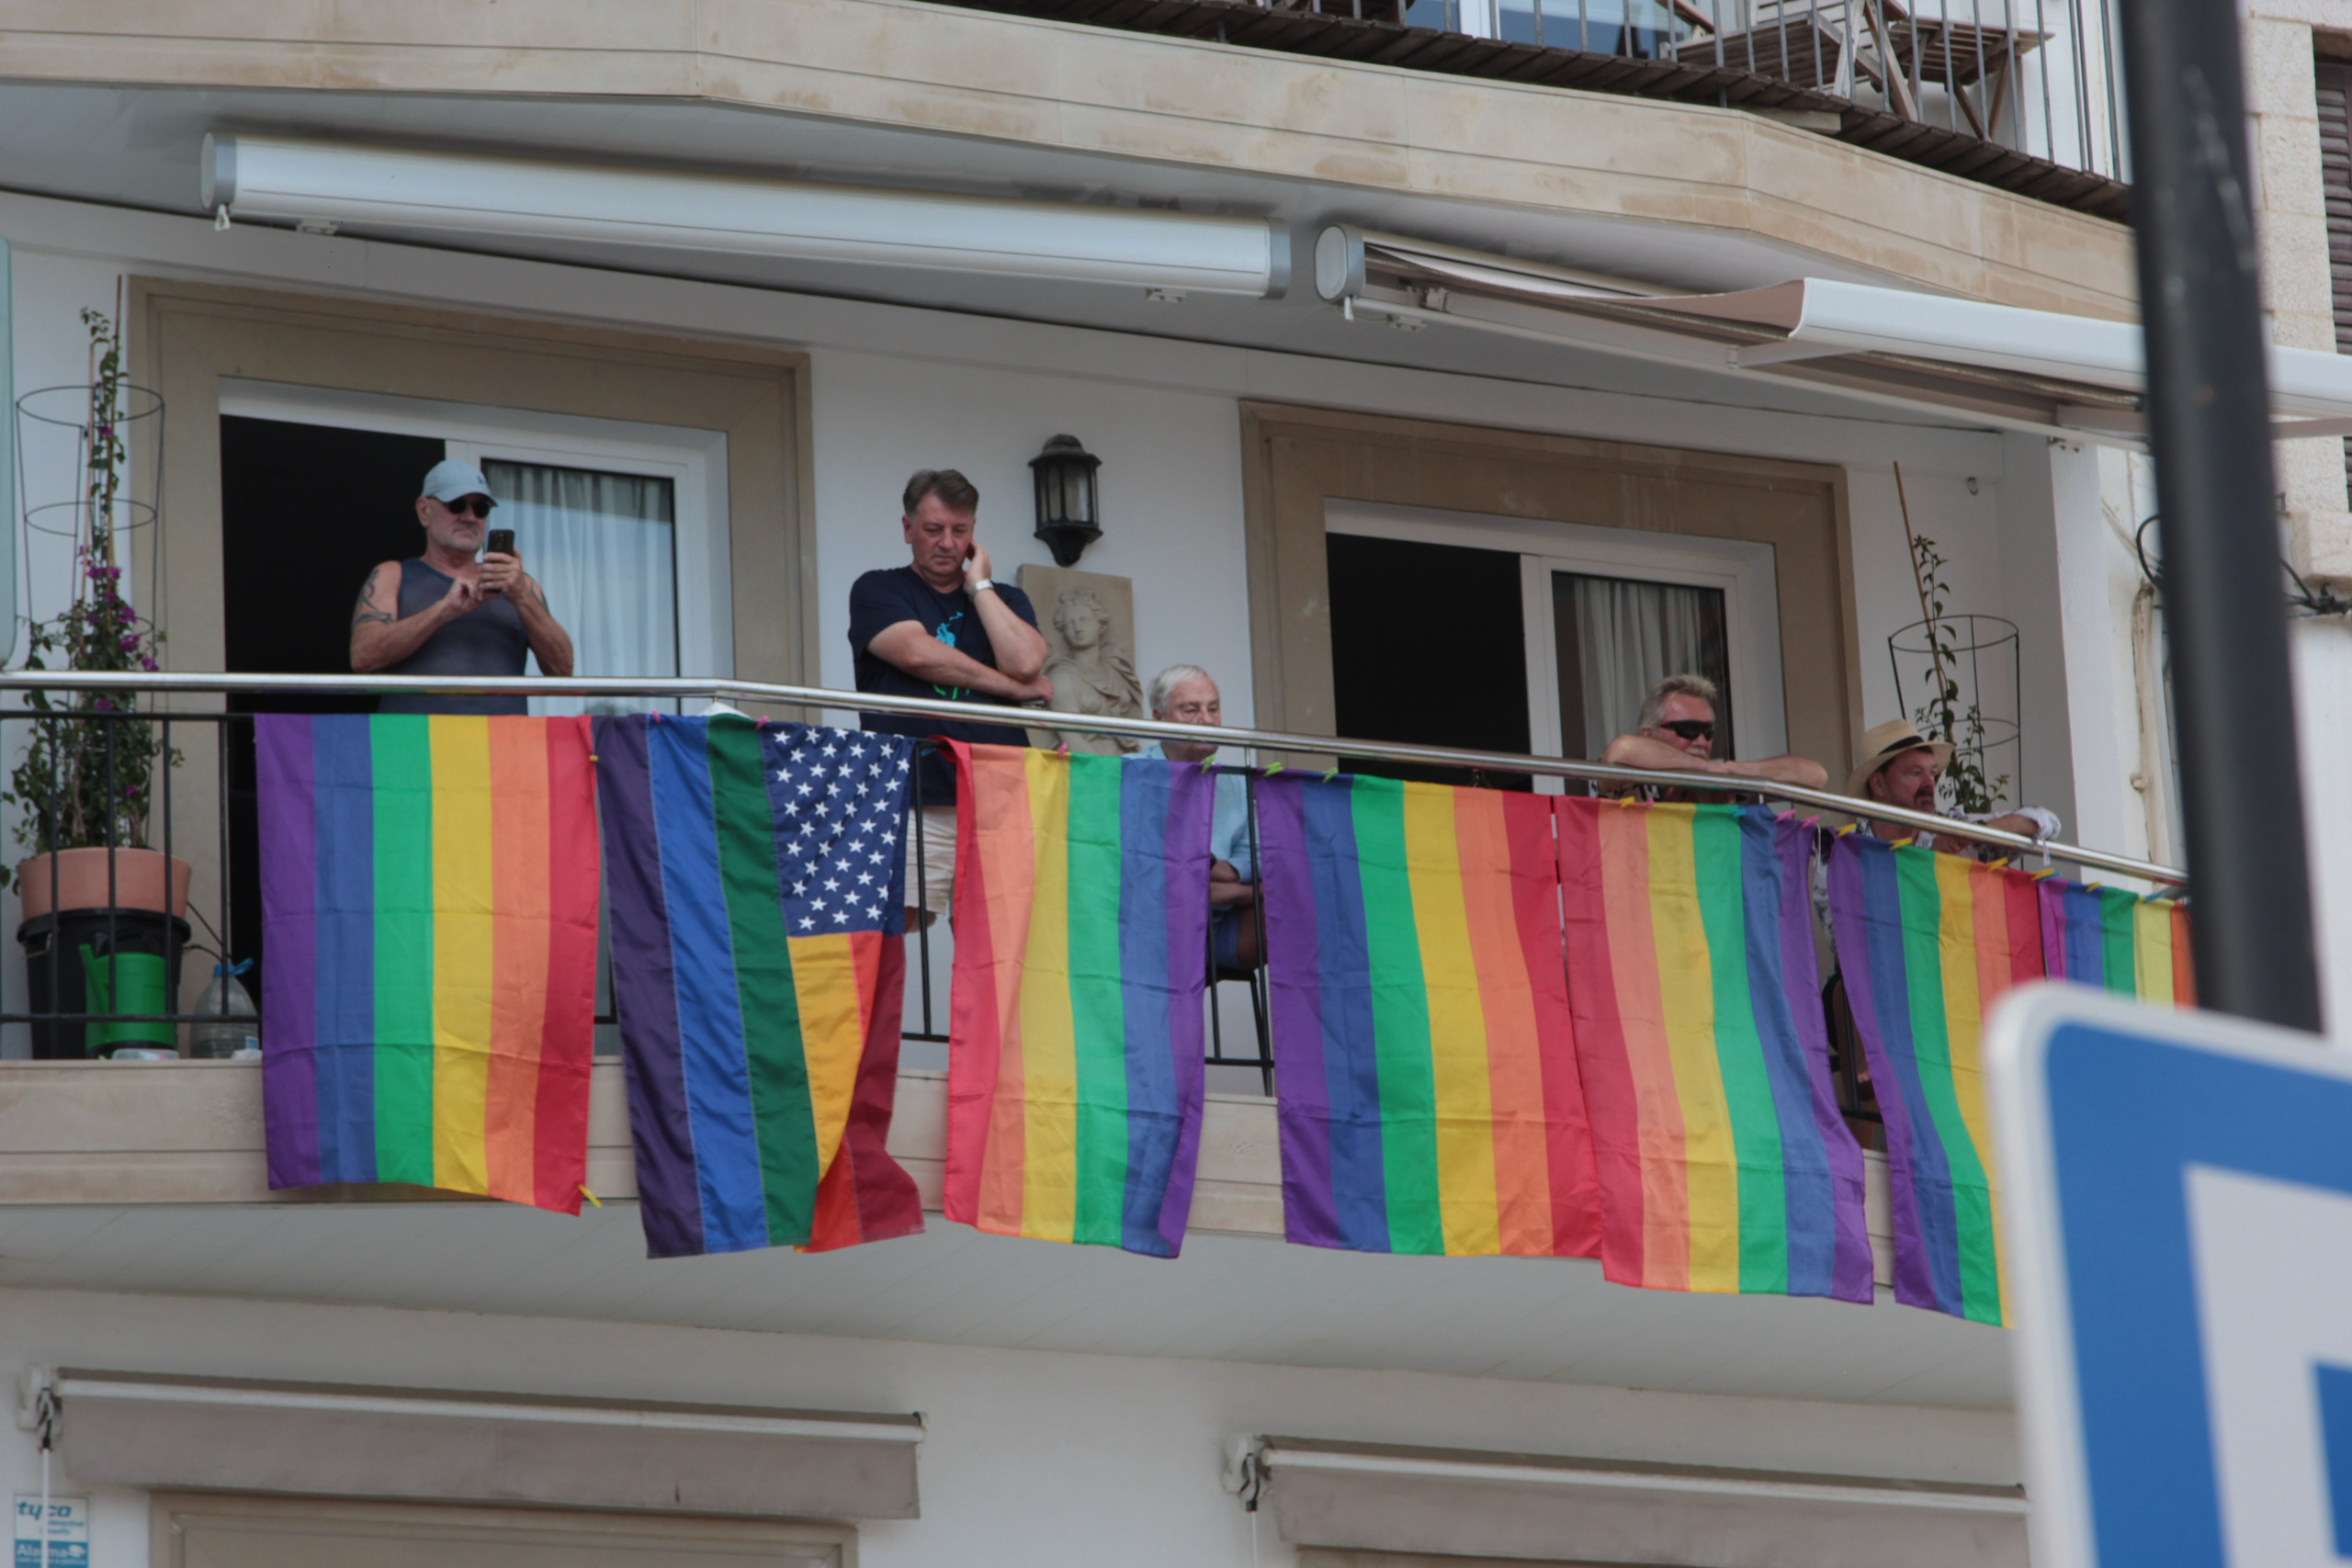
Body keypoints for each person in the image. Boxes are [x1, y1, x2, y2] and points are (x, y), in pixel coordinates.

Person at [850, 468, 1052, 927]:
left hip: (1000, 797)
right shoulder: (878, 588)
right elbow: (919, 656)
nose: (947, 543)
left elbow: (1026, 662)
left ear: (974, 533)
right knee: (897, 929)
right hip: (916, 795)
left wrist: (979, 586)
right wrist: (1013, 689)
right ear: (907, 529)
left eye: (959, 531)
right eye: (933, 529)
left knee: (999, 937)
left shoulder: (1005, 599)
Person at [349, 458, 574, 716]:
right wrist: (445, 610)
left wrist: (522, 597)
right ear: (424, 511)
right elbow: (363, 657)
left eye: (480, 508)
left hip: (500, 739)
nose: (469, 517)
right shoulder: (393, 575)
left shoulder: (520, 584)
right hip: (416, 737)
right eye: (456, 505)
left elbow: (563, 670)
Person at [1134, 665, 1259, 971]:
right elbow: (1153, 876)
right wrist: (1244, 892)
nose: (1207, 720)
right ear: (1159, 719)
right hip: (1146, 932)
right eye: (1191, 710)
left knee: (1298, 891)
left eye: (1213, 709)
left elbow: (1259, 857)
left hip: (1216, 931)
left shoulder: (1235, 782)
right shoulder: (1131, 774)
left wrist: (1220, 871)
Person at [1848, 718, 2060, 852]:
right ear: (1878, 784)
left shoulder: (1950, 827)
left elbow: (2049, 822)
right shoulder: (1845, 852)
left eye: (1932, 773)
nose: (1929, 783)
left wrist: (1971, 834)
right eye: (1915, 773)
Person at [1600, 673, 1827, 794]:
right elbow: (1622, 750)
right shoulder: (1628, 776)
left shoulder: (1719, 775)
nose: (1701, 740)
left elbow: (1816, 775)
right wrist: (1706, 768)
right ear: (1648, 734)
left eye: (1708, 731)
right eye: (1688, 729)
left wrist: (1733, 770)